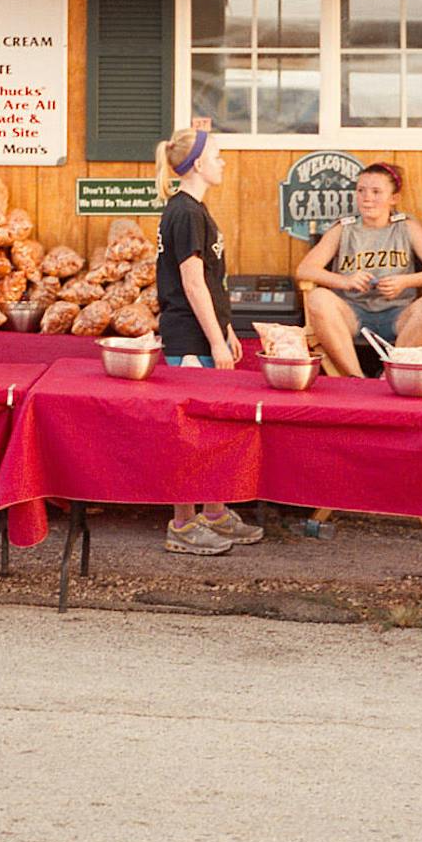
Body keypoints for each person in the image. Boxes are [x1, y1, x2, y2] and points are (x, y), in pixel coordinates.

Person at [151, 126, 262, 557]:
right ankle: (182, 523)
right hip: (189, 336)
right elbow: (192, 283)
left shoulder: (196, 209)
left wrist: (228, 330)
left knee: (212, 430)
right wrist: (215, 340)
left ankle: (214, 513)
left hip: (207, 332)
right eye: (216, 155)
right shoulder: (185, 212)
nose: (223, 162)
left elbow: (213, 282)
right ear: (197, 163)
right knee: (191, 434)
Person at [296, 162, 422, 377]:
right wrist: (345, 281)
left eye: (376, 192)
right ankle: (357, 378)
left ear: (393, 198)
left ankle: (390, 375)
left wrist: (404, 282)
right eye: (361, 191)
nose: (367, 197)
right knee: (318, 298)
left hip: (398, 314)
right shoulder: (344, 229)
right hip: (352, 314)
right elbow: (305, 270)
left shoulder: (406, 227)